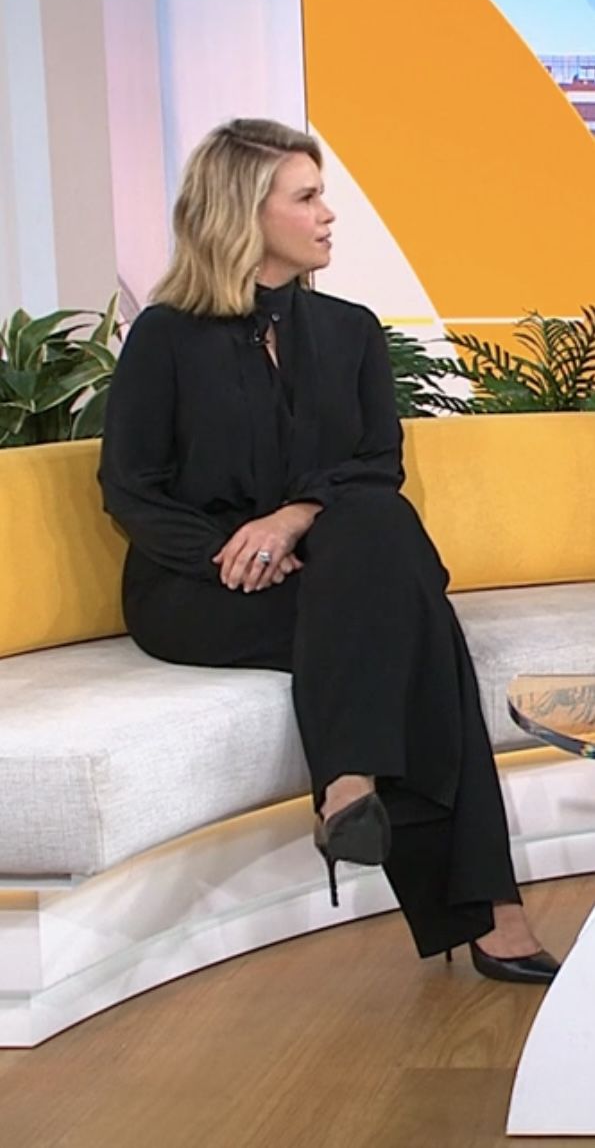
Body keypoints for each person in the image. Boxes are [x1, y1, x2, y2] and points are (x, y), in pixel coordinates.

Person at [99, 118, 558, 984]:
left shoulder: (349, 330)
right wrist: (231, 551)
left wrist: (293, 518)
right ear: (245, 211)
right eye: (306, 197)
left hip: (330, 570)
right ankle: (488, 910)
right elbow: (131, 488)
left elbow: (376, 462)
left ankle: (352, 785)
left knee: (373, 525)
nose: (327, 213)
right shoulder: (165, 336)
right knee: (417, 623)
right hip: (200, 590)